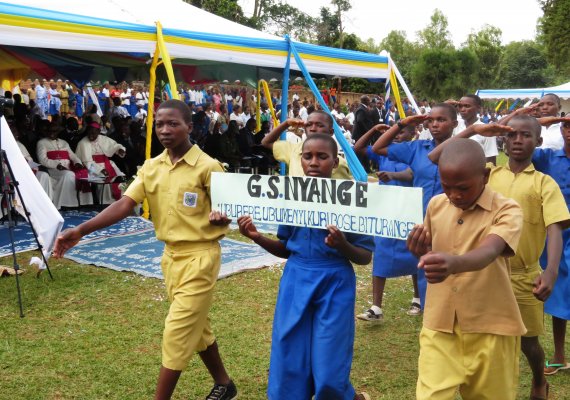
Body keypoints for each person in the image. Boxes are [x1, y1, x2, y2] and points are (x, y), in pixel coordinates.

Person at [53, 99, 237, 400]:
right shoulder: (152, 166)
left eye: (173, 123)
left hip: (201, 257)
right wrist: (80, 230)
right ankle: (225, 385)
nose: (165, 130)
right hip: (171, 259)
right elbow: (125, 204)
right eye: (160, 124)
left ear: (189, 127)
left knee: (177, 332)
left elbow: (228, 207)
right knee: (198, 326)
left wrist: (222, 214)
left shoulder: (208, 166)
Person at [429, 115, 570, 400]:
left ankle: (539, 380)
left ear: (539, 142)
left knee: (529, 342)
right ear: (503, 140)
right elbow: (438, 157)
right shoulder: (488, 174)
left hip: (524, 276)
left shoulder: (544, 183)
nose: (518, 140)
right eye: (513, 135)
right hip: (484, 273)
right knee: (490, 339)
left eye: (526, 136)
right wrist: (473, 130)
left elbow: (554, 227)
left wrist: (551, 271)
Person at [237, 133, 373, 400]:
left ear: (335, 162)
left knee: (329, 364)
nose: (313, 162)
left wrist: (342, 245)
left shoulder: (351, 201)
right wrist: (257, 237)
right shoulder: (292, 199)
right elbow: (286, 249)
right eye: (307, 156)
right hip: (296, 280)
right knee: (290, 356)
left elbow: (364, 257)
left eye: (322, 157)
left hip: (335, 283)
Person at [408, 138, 525, 400]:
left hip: (491, 327)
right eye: (447, 187)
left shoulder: (507, 209)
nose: (454, 195)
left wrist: (453, 263)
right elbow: (430, 252)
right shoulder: (436, 205)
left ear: (485, 175)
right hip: (440, 324)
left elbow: (490, 251)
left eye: (462, 188)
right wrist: (421, 253)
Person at [371, 104, 456, 309]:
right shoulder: (417, 148)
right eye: (431, 120)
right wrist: (401, 123)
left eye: (441, 120)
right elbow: (378, 148)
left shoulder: (463, 147)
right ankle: (428, 312)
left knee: (453, 272)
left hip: (453, 221)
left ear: (454, 123)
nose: (435, 124)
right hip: (424, 222)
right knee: (426, 271)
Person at [353, 123, 420, 321]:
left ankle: (418, 297)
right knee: (380, 252)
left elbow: (411, 174)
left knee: (414, 253)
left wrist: (392, 175)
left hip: (410, 209)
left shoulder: (415, 151)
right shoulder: (384, 153)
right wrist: (374, 130)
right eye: (395, 132)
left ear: (412, 133)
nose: (397, 136)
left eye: (402, 132)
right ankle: (376, 307)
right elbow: (358, 148)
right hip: (386, 211)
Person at [532, 118, 570, 376]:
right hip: (558, 234)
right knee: (558, 294)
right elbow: (516, 133)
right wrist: (553, 118)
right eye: (567, 125)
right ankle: (559, 355)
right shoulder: (547, 158)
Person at [261, 110, 352, 179]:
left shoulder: (338, 163)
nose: (312, 129)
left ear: (331, 131)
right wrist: (286, 123)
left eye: (319, 125)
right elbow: (266, 142)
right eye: (309, 124)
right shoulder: (294, 149)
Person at [36, 122, 93, 209]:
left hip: (66, 168)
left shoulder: (64, 143)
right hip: (52, 169)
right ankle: (65, 204)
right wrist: (57, 165)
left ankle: (81, 202)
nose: (52, 133)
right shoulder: (42, 143)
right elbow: (42, 160)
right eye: (50, 131)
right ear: (46, 132)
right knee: (69, 174)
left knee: (82, 173)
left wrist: (77, 162)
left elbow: (73, 156)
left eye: (54, 131)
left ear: (58, 132)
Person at [75, 121, 126, 204]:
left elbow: (115, 146)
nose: (91, 135)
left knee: (121, 177)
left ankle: (122, 199)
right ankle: (106, 202)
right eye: (89, 132)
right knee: (104, 178)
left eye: (94, 133)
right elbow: (86, 161)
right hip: (91, 168)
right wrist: (100, 170)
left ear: (99, 132)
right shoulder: (83, 143)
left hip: (107, 164)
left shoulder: (103, 139)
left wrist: (120, 150)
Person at [454, 94, 498, 164]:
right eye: (460, 106)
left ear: (478, 108)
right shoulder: (455, 125)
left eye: (467, 106)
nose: (462, 109)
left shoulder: (486, 129)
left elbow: (491, 159)